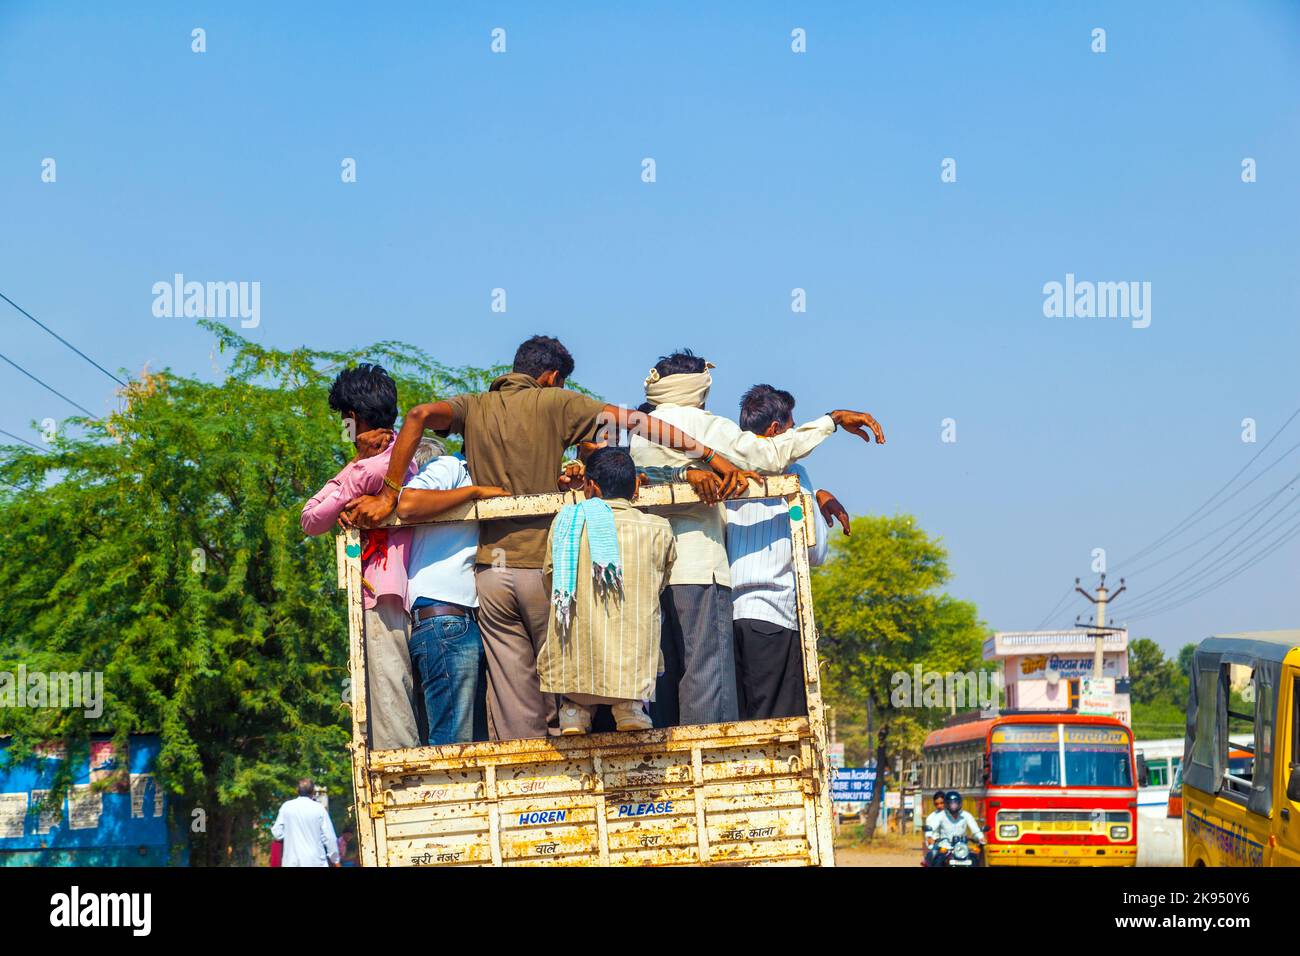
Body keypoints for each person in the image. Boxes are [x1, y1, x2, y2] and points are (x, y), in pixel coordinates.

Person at [342, 335, 753, 742]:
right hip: (546, 571)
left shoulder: (471, 406)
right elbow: (639, 423)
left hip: (491, 576)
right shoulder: (558, 403)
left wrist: (388, 492)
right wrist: (711, 457)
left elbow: (415, 415)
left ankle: (527, 792)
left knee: (512, 702)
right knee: (563, 688)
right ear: (552, 376)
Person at [629, 350, 886, 728]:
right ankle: (710, 771)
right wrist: (830, 422)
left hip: (652, 572)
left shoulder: (641, 429)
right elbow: (768, 457)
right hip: (706, 574)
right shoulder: (703, 425)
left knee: (667, 678)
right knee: (706, 684)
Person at [301, 364, 419, 751]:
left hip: (381, 590)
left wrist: (351, 470)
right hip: (412, 592)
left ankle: (400, 785)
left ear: (353, 419)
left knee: (389, 699)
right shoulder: (406, 450)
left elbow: (312, 518)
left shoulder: (376, 466)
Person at [725, 384, 850, 720]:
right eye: (792, 428)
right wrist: (818, 497)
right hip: (774, 618)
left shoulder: (722, 468)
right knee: (776, 729)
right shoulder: (795, 474)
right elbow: (814, 550)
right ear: (776, 431)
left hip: (725, 619)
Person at [537, 447, 676, 734]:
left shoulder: (567, 520)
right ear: (636, 485)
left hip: (575, 676)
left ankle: (574, 711)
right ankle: (629, 710)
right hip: (632, 676)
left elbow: (551, 581)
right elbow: (660, 584)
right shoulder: (659, 528)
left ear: (591, 486)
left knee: (572, 633)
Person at [396, 447, 509, 745]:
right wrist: (475, 491)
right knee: (451, 744)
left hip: (458, 624)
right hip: (445, 622)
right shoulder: (452, 467)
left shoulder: (488, 483)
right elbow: (407, 502)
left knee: (469, 743)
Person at [271, 779, 340, 867]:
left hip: (291, 861)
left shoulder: (286, 807)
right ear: (313, 792)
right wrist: (335, 860)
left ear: (297, 790)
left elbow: (277, 833)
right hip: (315, 862)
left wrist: (290, 836)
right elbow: (329, 838)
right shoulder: (319, 809)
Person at [924, 790, 986, 866]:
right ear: (947, 804)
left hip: (962, 849)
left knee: (974, 860)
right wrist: (929, 837)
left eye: (955, 803)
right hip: (945, 848)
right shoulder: (941, 815)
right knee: (937, 861)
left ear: (959, 803)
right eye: (951, 803)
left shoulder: (966, 815)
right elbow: (931, 827)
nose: (953, 806)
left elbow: (975, 829)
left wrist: (981, 837)